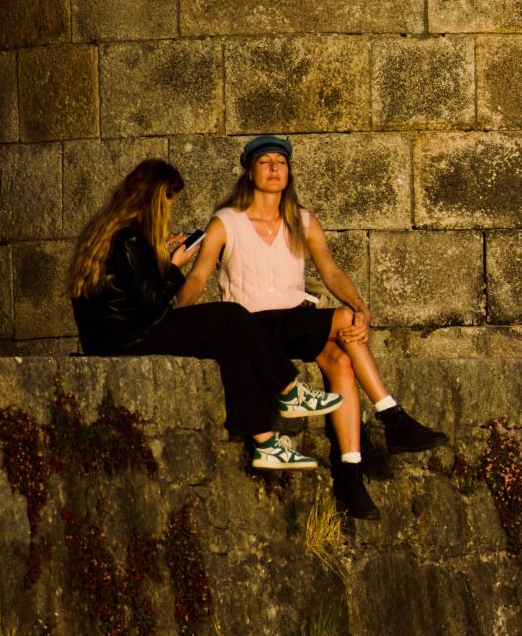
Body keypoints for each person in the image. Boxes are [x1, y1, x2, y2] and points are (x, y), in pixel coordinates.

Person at [177, 135, 447, 520]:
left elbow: (331, 271)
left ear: (288, 171)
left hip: (294, 322)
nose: (274, 168)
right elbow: (198, 275)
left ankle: (350, 479)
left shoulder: (302, 221)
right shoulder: (228, 221)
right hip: (250, 328)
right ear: (250, 171)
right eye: (265, 162)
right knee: (343, 321)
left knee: (340, 361)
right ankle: (392, 417)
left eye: (281, 162)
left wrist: (360, 306)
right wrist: (179, 317)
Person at [69, 159, 341, 469]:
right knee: (231, 315)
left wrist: (160, 257)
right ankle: (290, 390)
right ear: (157, 199)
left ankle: (265, 443)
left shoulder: (112, 233)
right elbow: (153, 302)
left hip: (113, 338)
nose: (169, 212)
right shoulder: (130, 238)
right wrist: (175, 267)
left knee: (228, 345)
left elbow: (135, 291)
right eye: (169, 204)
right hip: (129, 337)